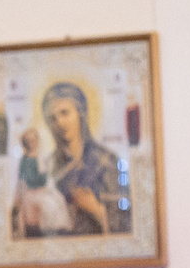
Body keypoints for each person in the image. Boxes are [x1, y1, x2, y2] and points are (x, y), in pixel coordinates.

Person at [12, 79, 131, 237]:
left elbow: (127, 225)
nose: (59, 123)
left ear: (80, 114)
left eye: (65, 113)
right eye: (52, 118)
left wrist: (97, 210)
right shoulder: (47, 164)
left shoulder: (106, 162)